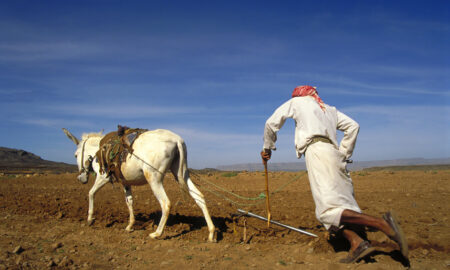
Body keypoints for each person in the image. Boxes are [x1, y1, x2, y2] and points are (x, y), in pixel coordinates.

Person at [261, 85, 408, 263]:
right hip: (335, 154)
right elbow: (354, 127)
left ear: (298, 95)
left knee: (326, 210)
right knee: (343, 204)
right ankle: (357, 243)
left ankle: (382, 223)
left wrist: (267, 147)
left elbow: (271, 123)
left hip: (317, 152)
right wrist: (343, 154)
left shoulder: (297, 102)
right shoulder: (329, 110)